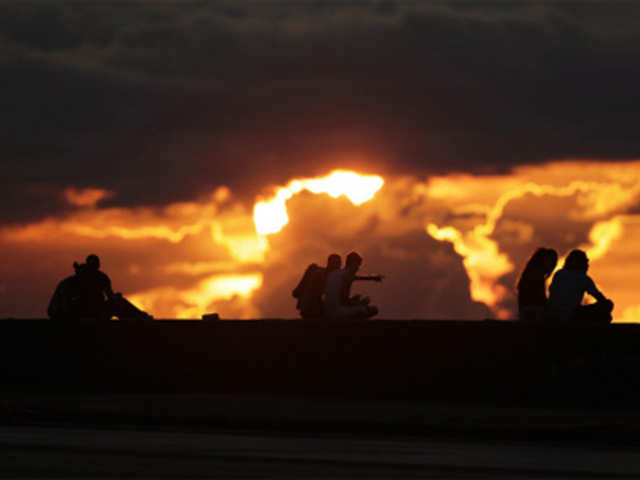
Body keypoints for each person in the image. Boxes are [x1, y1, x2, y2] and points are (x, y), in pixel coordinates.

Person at [547, 249, 614, 323]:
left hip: (552, 314)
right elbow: (601, 299)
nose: (588, 265)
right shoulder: (583, 278)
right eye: (585, 262)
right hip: (571, 316)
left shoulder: (559, 273)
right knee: (607, 308)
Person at [323, 251, 382, 320]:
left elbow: (356, 278)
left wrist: (371, 278)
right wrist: (359, 303)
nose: (357, 268)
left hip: (328, 311)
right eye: (357, 265)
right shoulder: (344, 277)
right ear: (352, 264)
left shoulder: (338, 273)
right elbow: (344, 301)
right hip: (335, 313)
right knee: (371, 310)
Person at [292, 254, 341, 318]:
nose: (337, 267)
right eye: (335, 263)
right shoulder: (320, 275)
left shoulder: (326, 275)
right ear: (329, 264)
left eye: (338, 264)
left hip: (310, 307)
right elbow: (315, 296)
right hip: (311, 308)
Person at [516, 248, 557, 322]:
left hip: (525, 313)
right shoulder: (537, 275)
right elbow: (540, 300)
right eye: (551, 262)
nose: (552, 266)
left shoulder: (528, 274)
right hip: (533, 314)